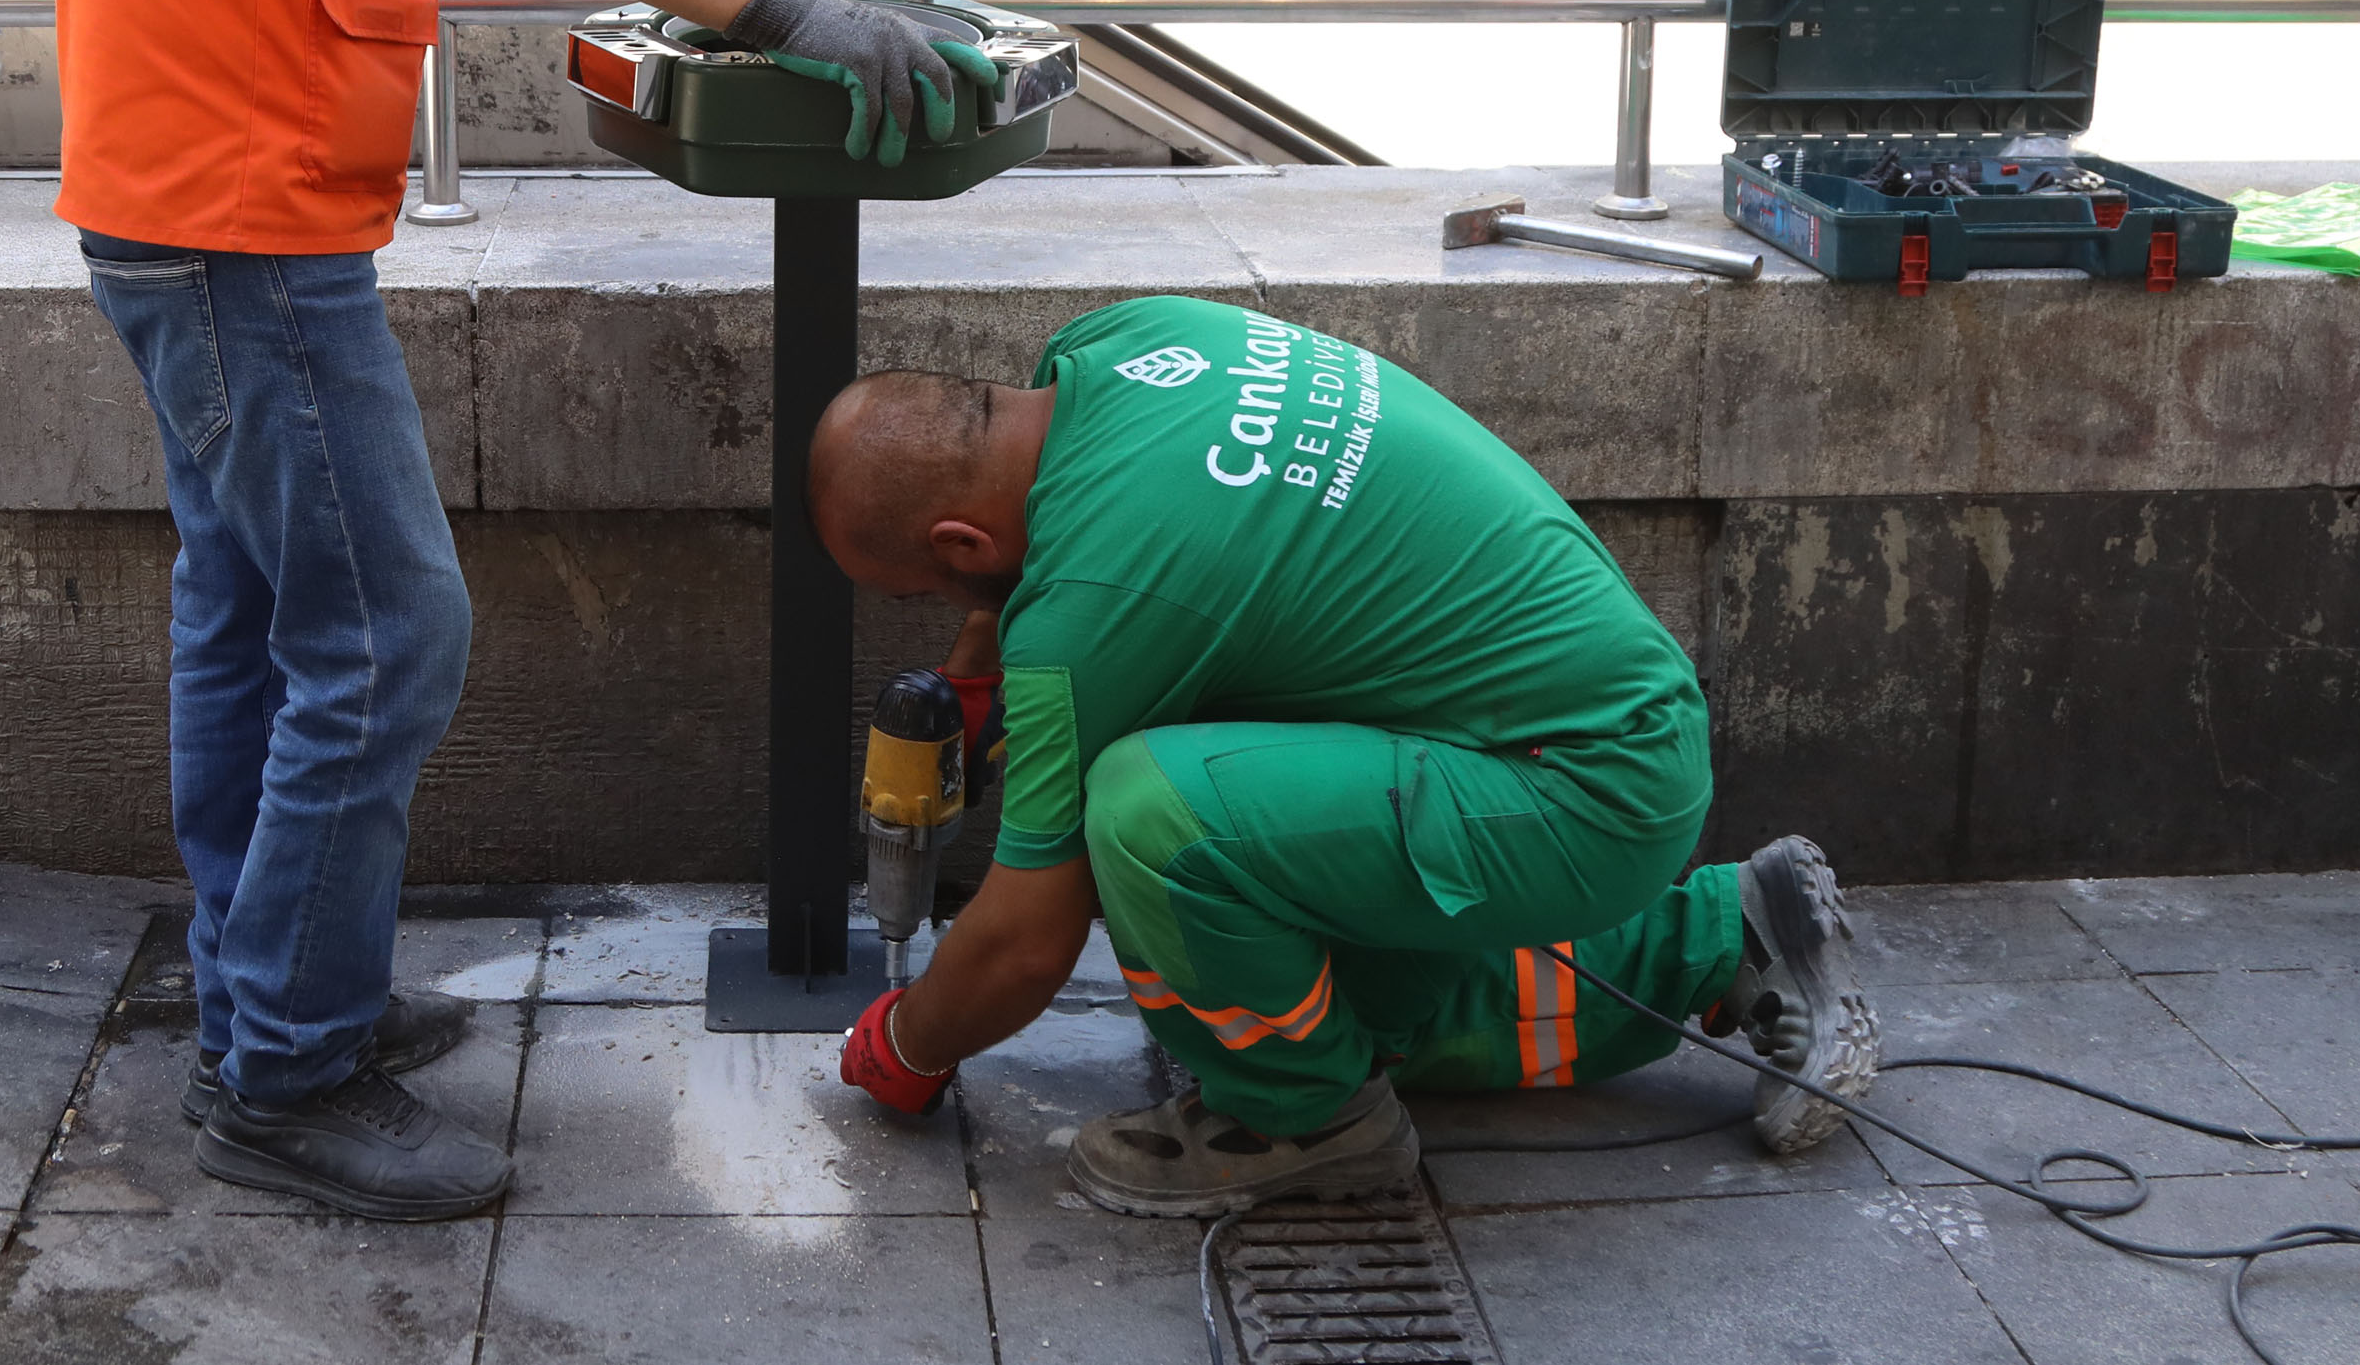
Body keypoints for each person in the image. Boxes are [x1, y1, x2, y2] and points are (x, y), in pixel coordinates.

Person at [57, 0, 993, 1222]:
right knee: (391, 635)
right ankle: (286, 1072)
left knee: (252, 613)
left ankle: (269, 996)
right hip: (236, 207)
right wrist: (776, 2)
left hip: (190, 184)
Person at [806, 294, 1882, 1215]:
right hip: (1589, 716)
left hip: (1581, 790)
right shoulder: (1125, 341)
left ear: (960, 546)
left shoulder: (1090, 611)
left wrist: (905, 1042)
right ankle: (1726, 930)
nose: (949, 612)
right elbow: (1081, 566)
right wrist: (978, 677)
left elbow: (1025, 942)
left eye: (931, 593)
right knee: (1344, 1005)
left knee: (1148, 818)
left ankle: (1312, 1123)